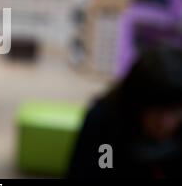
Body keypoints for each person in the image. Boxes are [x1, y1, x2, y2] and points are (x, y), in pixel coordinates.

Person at [69, 46, 182, 178]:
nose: (166, 123)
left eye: (175, 111)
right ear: (136, 103)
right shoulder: (105, 124)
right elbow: (97, 169)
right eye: (157, 111)